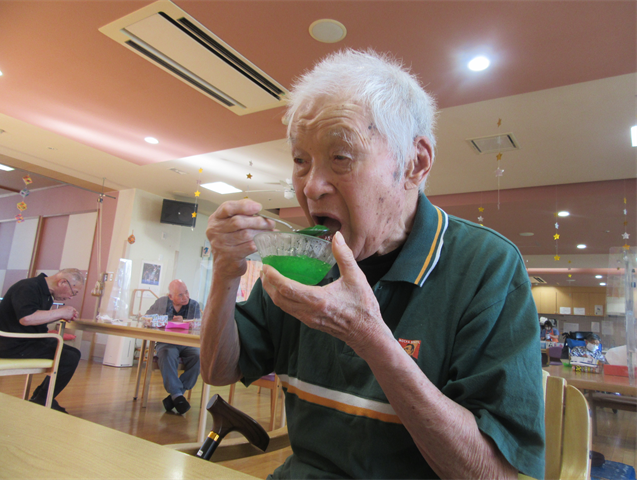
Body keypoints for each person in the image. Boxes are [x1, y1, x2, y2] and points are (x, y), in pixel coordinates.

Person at [201, 49, 544, 480]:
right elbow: (219, 370)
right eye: (300, 160)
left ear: (415, 163)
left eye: (340, 157)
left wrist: (369, 337)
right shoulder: (305, 260)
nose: (310, 187)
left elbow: (492, 474)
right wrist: (225, 274)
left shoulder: (485, 266)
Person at [0, 268, 84, 413]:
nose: (71, 297)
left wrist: (59, 315)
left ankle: (41, 397)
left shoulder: (44, 293)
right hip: (10, 344)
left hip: (24, 341)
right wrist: (61, 312)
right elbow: (27, 318)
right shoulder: (28, 287)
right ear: (63, 282)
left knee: (69, 353)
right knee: (69, 356)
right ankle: (43, 399)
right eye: (73, 292)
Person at [145, 279, 201, 414]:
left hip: (187, 343)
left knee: (199, 356)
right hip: (166, 342)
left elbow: (199, 324)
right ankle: (177, 395)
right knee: (167, 353)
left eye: (186, 292)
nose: (185, 297)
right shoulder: (161, 303)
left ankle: (175, 395)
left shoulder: (193, 305)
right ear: (171, 296)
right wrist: (167, 321)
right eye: (180, 295)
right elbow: (147, 319)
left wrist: (187, 323)